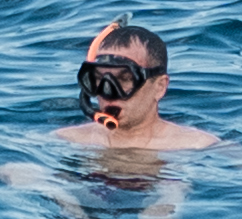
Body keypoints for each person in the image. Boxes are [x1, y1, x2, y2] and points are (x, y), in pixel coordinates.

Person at [61, 19, 216, 152]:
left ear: (160, 87)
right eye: (99, 78)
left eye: (125, 79)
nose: (108, 92)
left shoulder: (197, 147)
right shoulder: (68, 140)